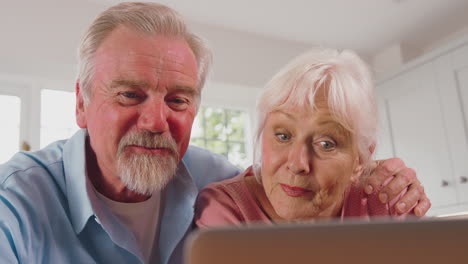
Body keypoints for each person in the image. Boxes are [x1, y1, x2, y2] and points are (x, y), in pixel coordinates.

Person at [0, 2, 429, 264]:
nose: (155, 122)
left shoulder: (215, 177)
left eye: (178, 100)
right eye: (130, 94)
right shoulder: (16, 203)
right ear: (81, 103)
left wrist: (384, 175)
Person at [195, 48, 426, 227]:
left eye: (326, 144)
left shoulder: (384, 197)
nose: (297, 164)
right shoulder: (225, 208)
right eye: (283, 136)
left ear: (359, 162)